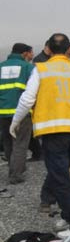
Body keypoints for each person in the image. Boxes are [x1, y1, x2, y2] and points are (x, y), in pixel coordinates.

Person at [10, 33, 70, 235]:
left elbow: (27, 99)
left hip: (54, 133)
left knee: (61, 179)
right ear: (67, 49)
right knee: (59, 174)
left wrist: (16, 121)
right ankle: (50, 202)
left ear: (49, 49)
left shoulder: (41, 69)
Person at [0, 43, 34, 184]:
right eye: (31, 53)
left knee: (8, 142)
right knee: (20, 143)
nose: (32, 56)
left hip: (2, 111)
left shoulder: (1, 66)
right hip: (21, 112)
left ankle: (12, 169)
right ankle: (16, 174)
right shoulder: (28, 67)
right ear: (24, 53)